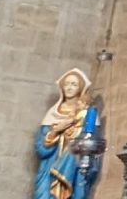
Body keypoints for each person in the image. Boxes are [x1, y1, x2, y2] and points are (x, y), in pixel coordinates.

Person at [33, 68, 95, 199]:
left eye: (74, 84)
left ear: (80, 88)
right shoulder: (52, 114)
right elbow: (41, 150)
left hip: (73, 170)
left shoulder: (88, 115)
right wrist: (56, 131)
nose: (69, 88)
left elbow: (91, 145)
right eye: (66, 84)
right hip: (49, 168)